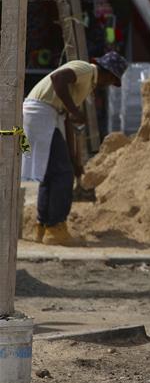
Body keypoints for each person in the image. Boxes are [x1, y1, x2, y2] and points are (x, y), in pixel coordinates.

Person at [21, 52, 128, 245]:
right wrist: (74, 110)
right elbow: (57, 78)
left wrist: (75, 160)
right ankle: (56, 229)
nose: (109, 85)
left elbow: (69, 122)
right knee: (62, 174)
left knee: (52, 173)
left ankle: (43, 227)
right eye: (112, 80)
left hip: (43, 116)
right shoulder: (86, 69)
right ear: (109, 74)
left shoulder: (86, 84)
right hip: (42, 114)